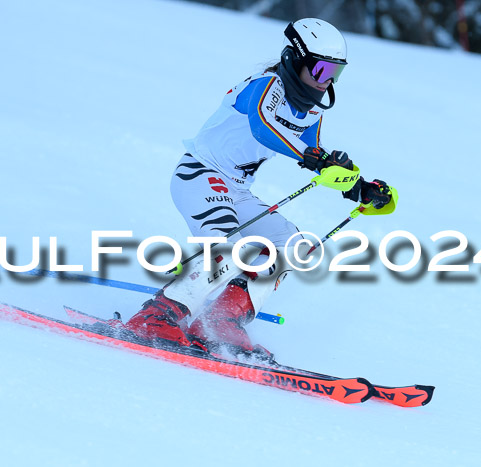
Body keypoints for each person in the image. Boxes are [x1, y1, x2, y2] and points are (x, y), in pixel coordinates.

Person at [124, 18, 393, 360]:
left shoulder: (309, 111)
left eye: (334, 74)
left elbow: (315, 154)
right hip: (201, 174)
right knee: (230, 249)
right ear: (296, 59)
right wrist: (313, 158)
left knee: (294, 246)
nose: (326, 82)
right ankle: (155, 317)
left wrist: (359, 186)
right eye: (321, 70)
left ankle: (222, 322)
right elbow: (264, 127)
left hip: (235, 190)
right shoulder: (265, 85)